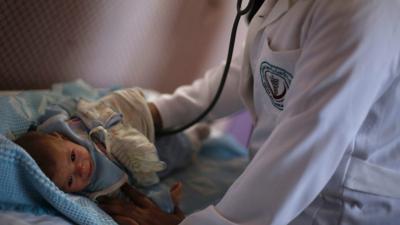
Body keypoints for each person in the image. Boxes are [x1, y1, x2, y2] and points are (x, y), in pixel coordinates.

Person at [99, 0, 400, 224]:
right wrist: (156, 113)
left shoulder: (358, 10)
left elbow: (306, 147)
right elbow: (259, 65)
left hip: (336, 206)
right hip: (286, 183)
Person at [15, 88, 209, 213]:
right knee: (177, 150)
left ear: (60, 137)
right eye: (70, 180)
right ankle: (196, 137)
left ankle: (191, 115)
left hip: (127, 129)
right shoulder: (99, 189)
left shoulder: (59, 126)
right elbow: (137, 196)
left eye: (73, 157)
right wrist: (167, 199)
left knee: (151, 113)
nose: (81, 169)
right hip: (145, 160)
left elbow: (64, 105)